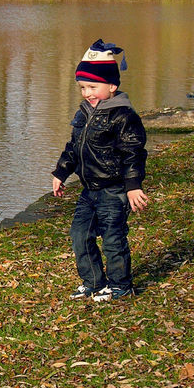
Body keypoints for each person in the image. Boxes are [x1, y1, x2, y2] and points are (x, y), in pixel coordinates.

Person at [51, 39, 149, 302]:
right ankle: (93, 282)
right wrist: (61, 173)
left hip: (114, 189)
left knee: (113, 240)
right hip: (89, 190)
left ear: (112, 86)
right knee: (79, 235)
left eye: (93, 87)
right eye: (83, 88)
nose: (87, 93)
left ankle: (120, 284)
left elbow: (133, 153)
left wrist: (133, 186)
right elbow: (74, 147)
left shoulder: (123, 116)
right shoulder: (84, 113)